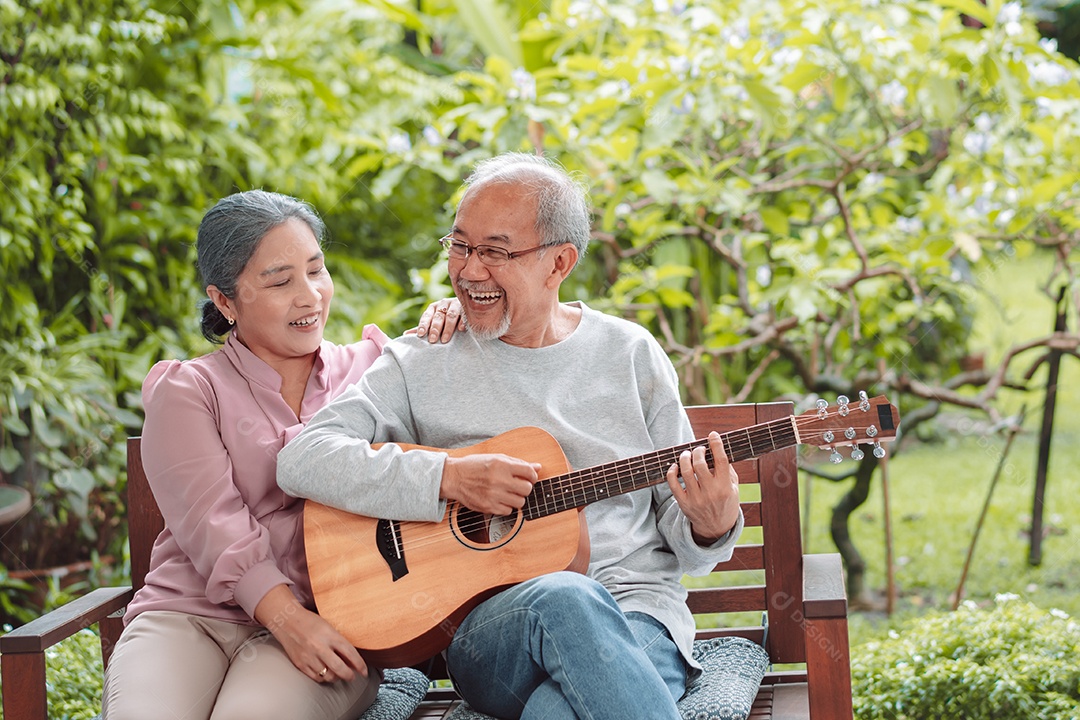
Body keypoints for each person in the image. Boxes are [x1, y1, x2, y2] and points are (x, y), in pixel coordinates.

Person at [276, 153, 744, 720]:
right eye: (460, 245)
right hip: (493, 635)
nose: (470, 271)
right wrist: (449, 479)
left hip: (637, 616)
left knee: (556, 713)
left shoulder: (630, 354)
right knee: (567, 596)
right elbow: (303, 458)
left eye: (495, 252)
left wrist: (712, 523)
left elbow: (682, 525)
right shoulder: (424, 359)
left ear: (559, 263)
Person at [101, 189, 461, 720]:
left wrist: (457, 315)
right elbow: (212, 522)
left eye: (316, 270)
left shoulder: (374, 371)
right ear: (224, 301)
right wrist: (287, 619)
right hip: (190, 616)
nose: (309, 296)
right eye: (279, 280)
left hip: (331, 621)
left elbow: (478, 386)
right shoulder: (189, 390)